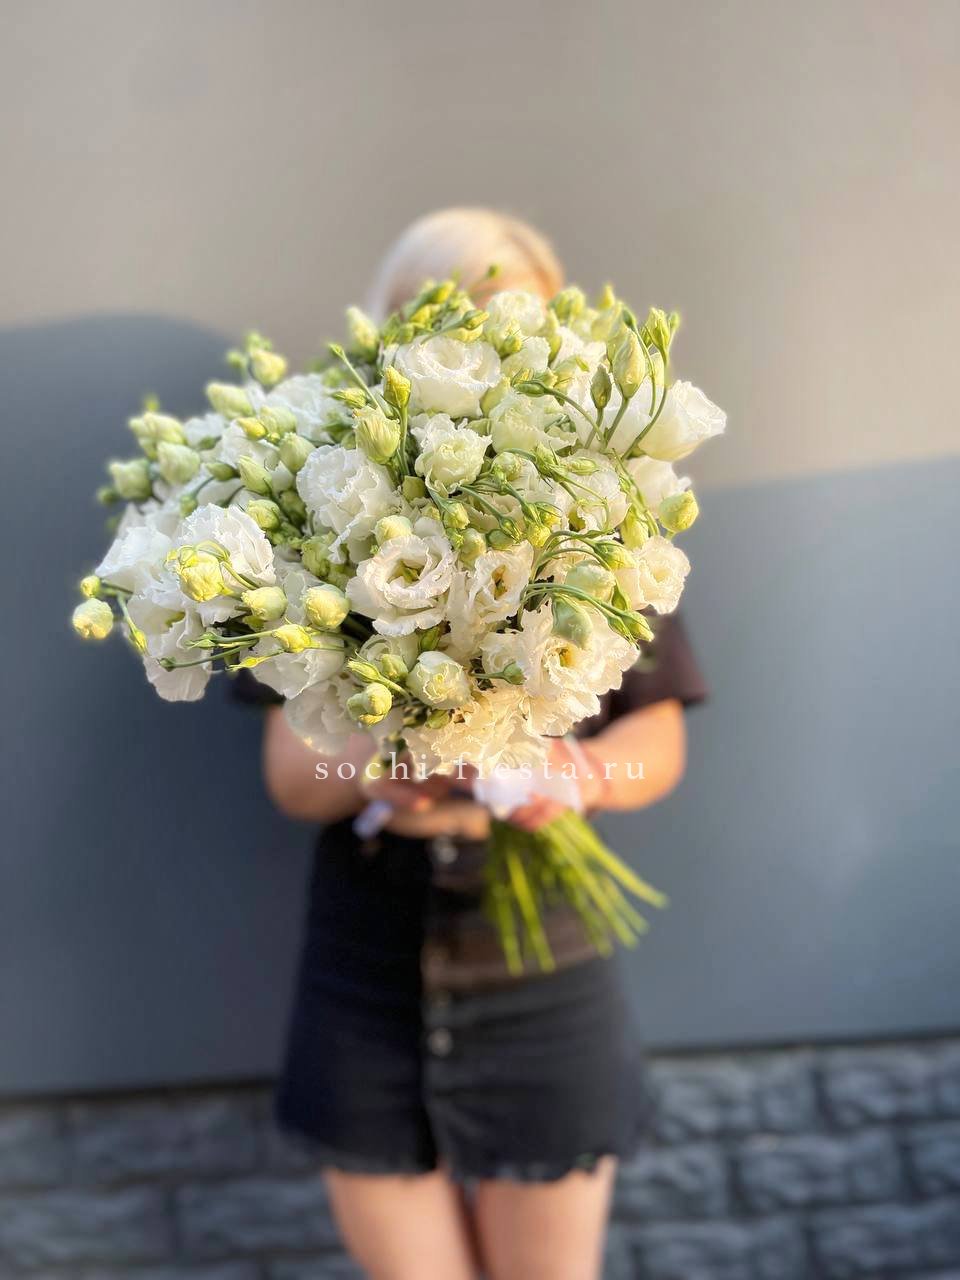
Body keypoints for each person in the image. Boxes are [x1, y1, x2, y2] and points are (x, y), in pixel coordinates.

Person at [244, 208, 708, 1280]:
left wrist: (579, 774)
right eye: (470, 326)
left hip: (545, 958)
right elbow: (292, 776)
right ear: (402, 331)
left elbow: (658, 739)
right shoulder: (320, 514)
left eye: (526, 328)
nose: (501, 354)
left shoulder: (604, 508)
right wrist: (387, 759)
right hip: (368, 960)